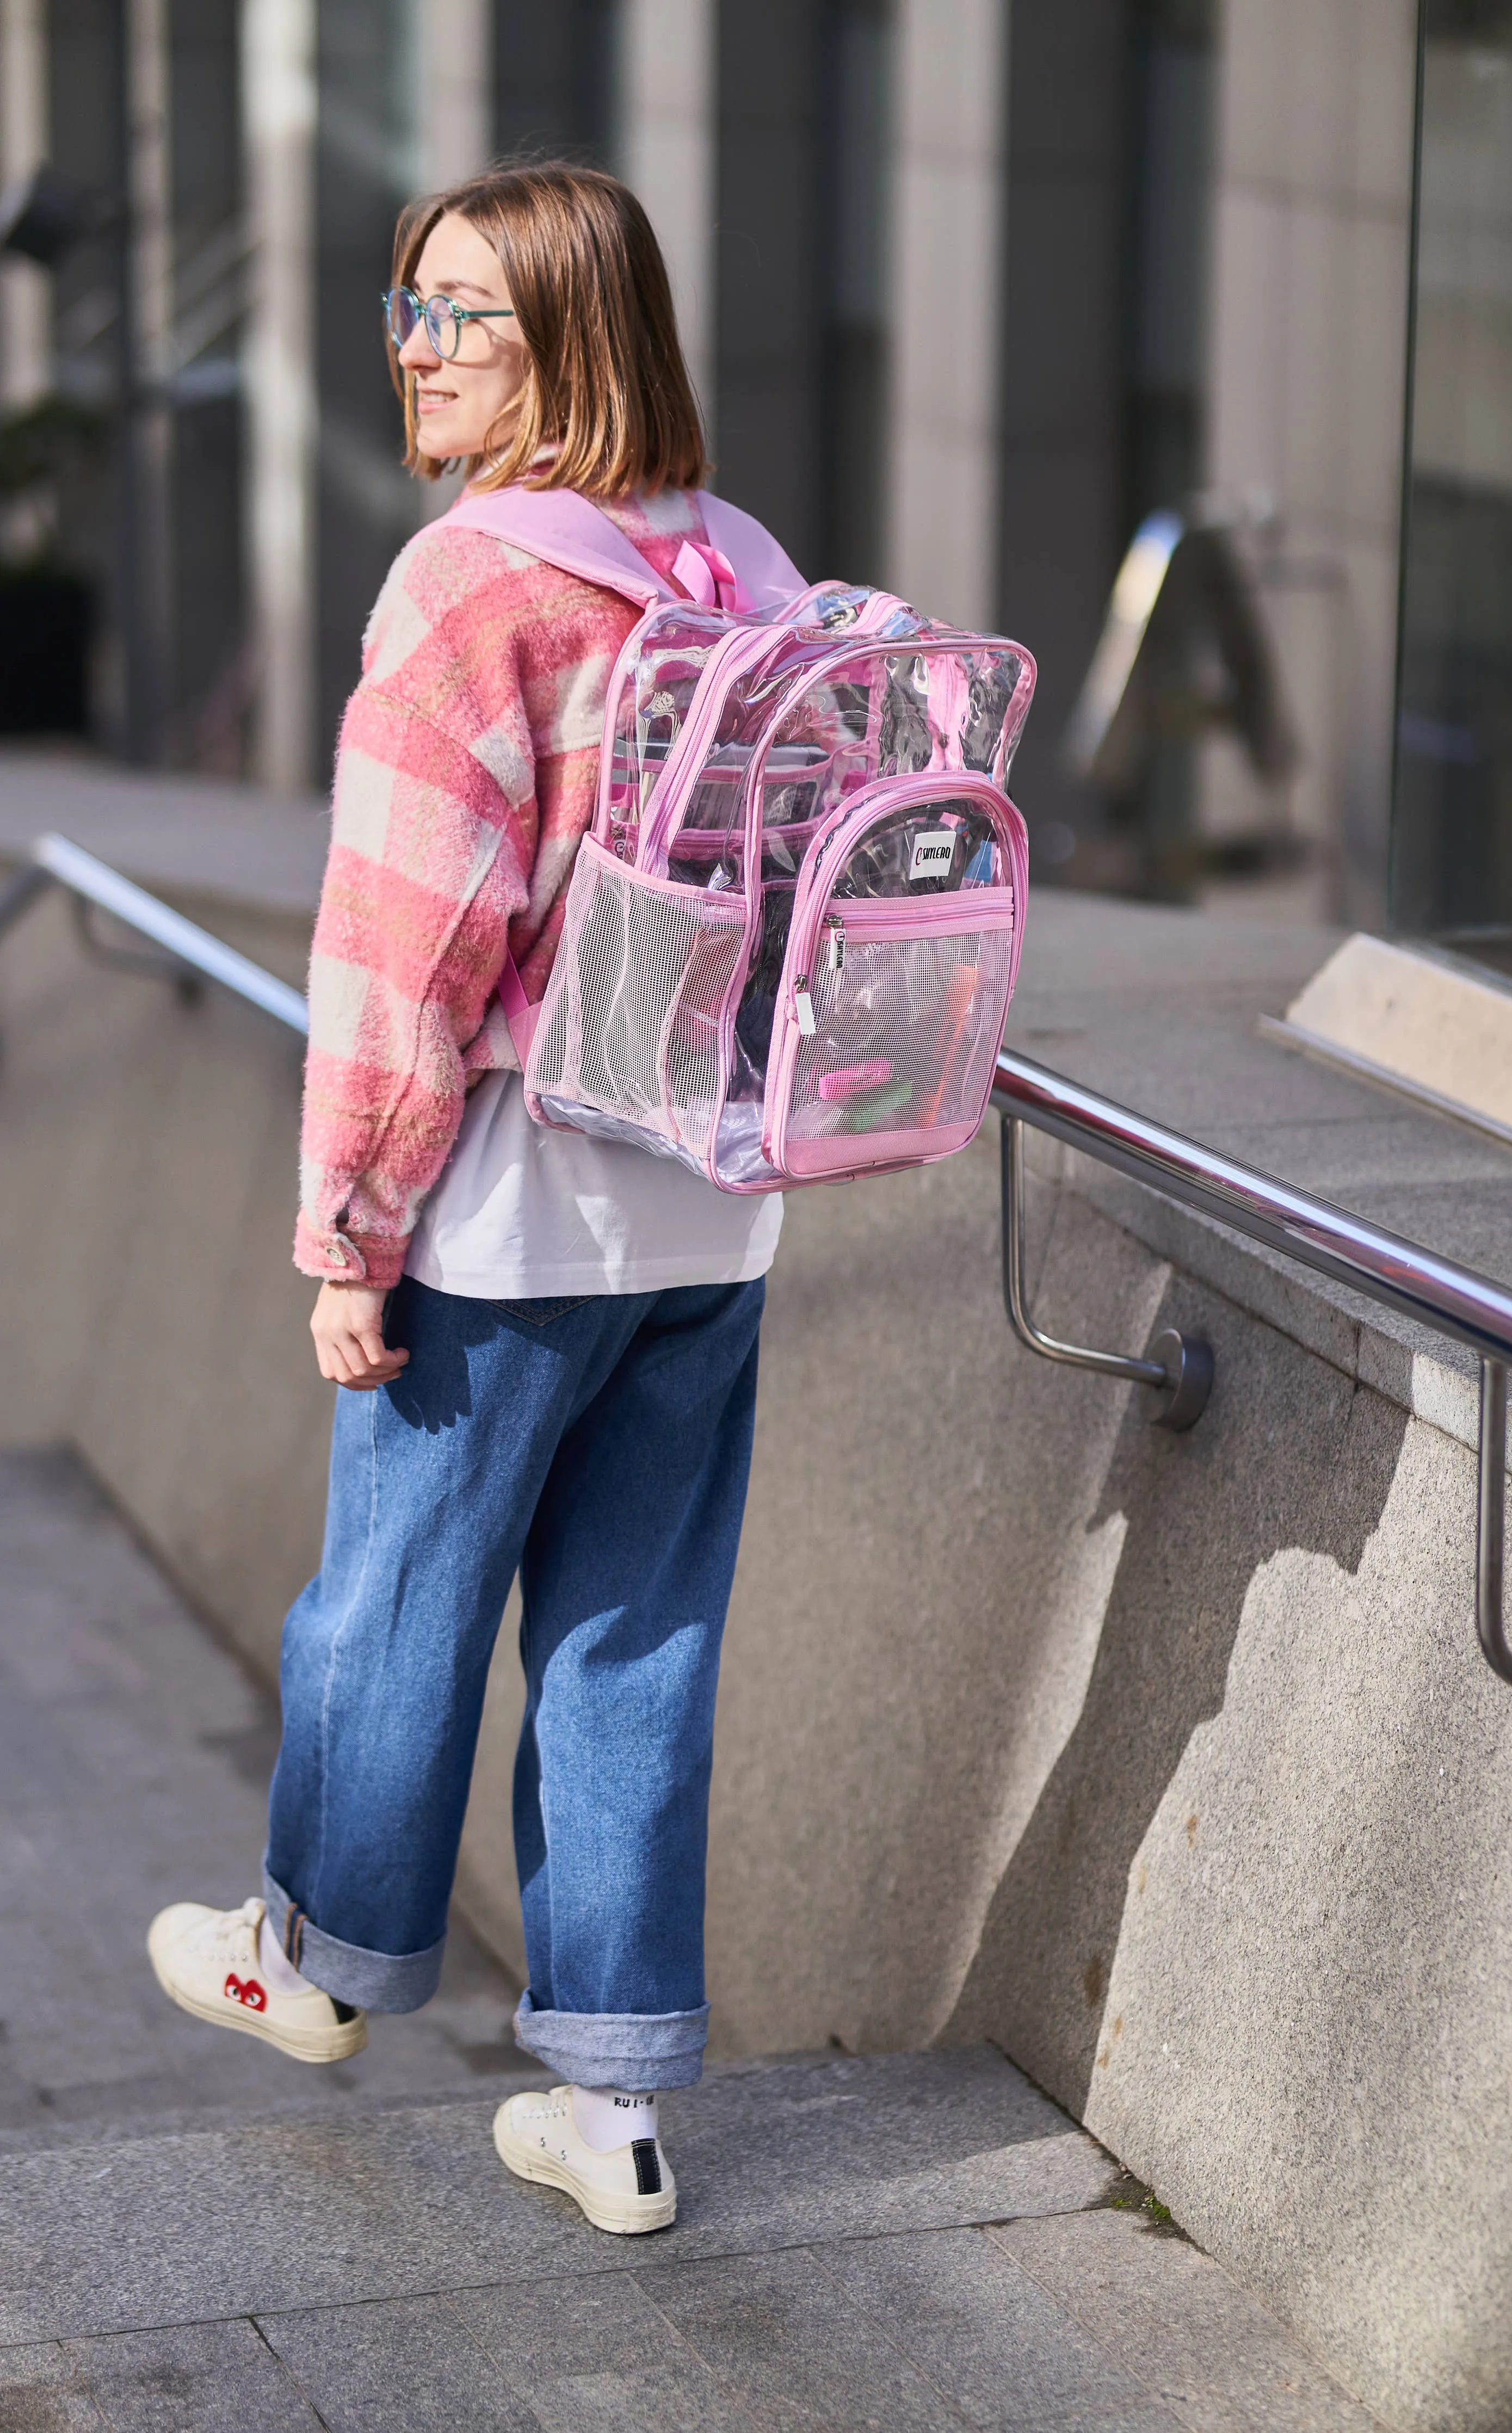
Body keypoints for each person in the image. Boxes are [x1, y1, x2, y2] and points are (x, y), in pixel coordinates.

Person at [145, 162, 790, 2237]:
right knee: (634, 1645)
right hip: (718, 1205)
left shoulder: (474, 588)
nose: (412, 353)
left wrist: (349, 1227)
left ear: (567, 346)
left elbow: (408, 947)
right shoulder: (747, 570)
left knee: (392, 1598)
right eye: (406, 310)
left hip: (513, 1211)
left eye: (459, 319)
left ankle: (317, 1959)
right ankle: (610, 2108)